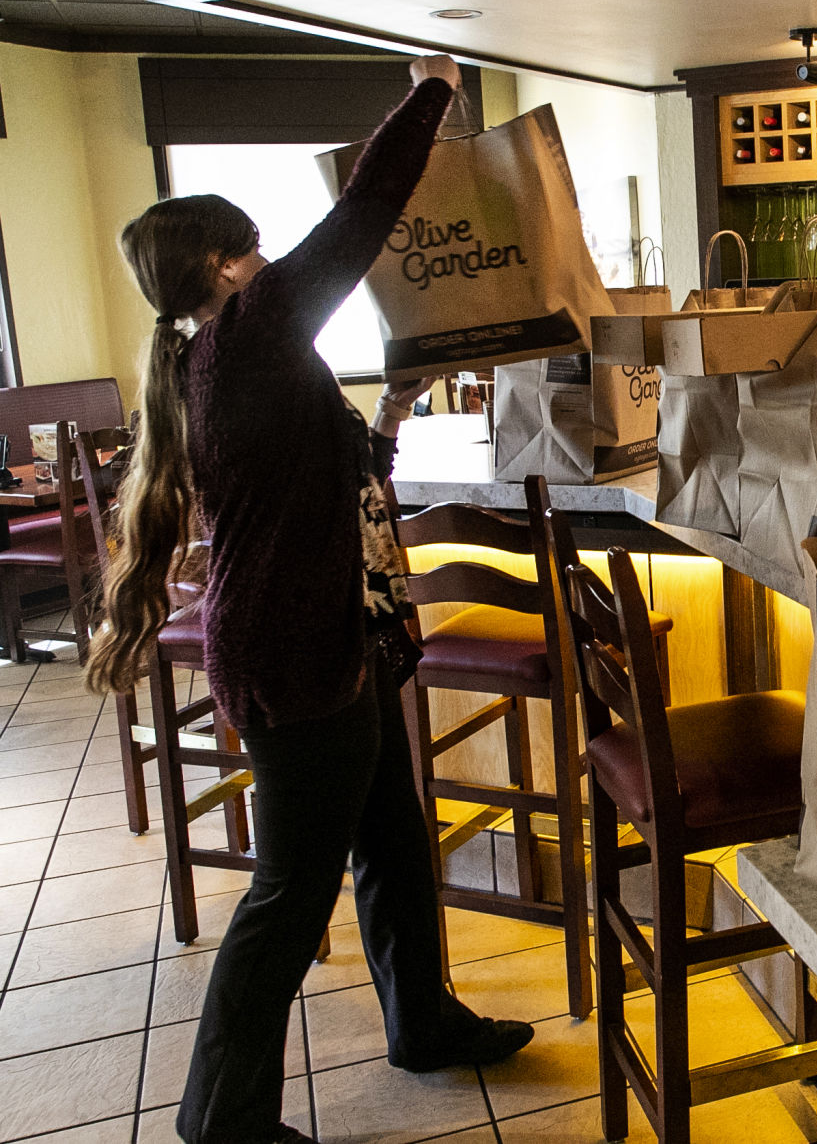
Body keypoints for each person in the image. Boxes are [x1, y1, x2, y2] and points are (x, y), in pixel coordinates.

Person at [88, 55, 533, 1144]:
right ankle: (221, 1120)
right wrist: (431, 89)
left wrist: (388, 416)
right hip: (293, 652)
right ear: (220, 264)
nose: (267, 258)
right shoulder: (248, 333)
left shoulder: (233, 358)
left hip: (332, 637)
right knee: (289, 891)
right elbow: (365, 211)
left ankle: (421, 1021)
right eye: (251, 246)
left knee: (391, 837)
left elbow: (335, 484)